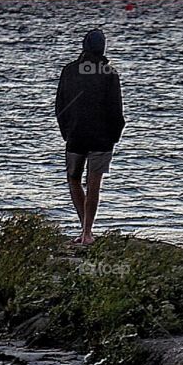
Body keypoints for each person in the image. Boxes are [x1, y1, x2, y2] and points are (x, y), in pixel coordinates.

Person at [55, 29, 125, 245]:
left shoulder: (69, 70)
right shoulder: (109, 72)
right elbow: (116, 110)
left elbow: (60, 106)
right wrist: (115, 136)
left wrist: (66, 132)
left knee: (73, 179)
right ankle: (87, 232)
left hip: (75, 134)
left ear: (84, 47)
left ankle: (84, 229)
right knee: (94, 183)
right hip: (102, 137)